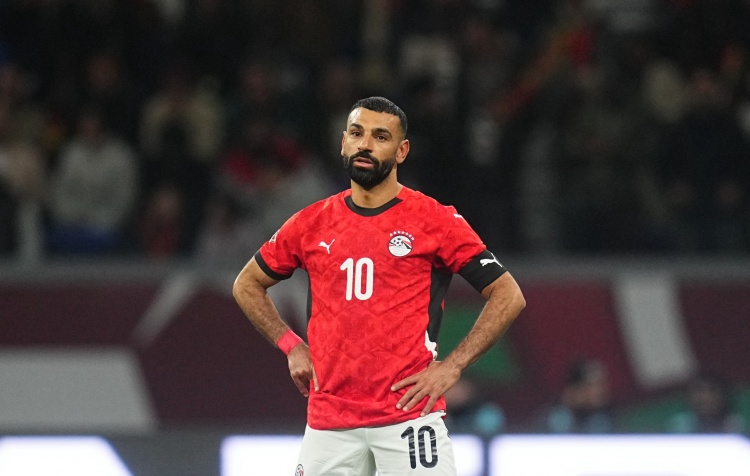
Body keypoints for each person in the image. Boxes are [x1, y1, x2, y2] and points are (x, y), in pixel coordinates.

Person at [232, 96, 526, 475]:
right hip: (330, 422)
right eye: (357, 134)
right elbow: (247, 284)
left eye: (381, 136)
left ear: (402, 151)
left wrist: (452, 367)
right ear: (344, 143)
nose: (366, 144)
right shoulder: (311, 223)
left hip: (409, 416)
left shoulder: (434, 220)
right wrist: (291, 346)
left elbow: (508, 294)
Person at [538, 357, 615, 434]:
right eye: (597, 384)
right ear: (576, 388)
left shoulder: (609, 417)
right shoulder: (551, 419)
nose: (602, 390)